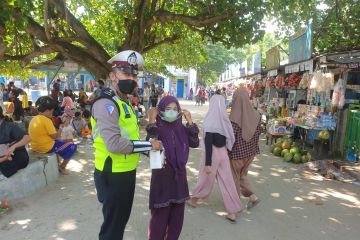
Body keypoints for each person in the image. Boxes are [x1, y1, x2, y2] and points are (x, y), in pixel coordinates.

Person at [91, 50, 162, 240]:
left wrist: (150, 148)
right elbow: (114, 144)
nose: (131, 79)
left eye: (133, 74)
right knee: (112, 228)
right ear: (112, 76)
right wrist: (147, 146)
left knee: (119, 222)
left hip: (125, 171)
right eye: (126, 73)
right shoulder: (106, 104)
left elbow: (129, 137)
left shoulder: (124, 102)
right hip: (112, 173)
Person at [146, 96, 199, 239]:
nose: (171, 112)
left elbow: (194, 143)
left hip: (179, 176)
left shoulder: (181, 128)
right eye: (168, 109)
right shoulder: (157, 128)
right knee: (160, 217)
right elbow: (149, 148)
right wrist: (151, 120)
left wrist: (190, 122)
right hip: (162, 177)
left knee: (177, 217)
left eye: (175, 109)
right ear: (160, 110)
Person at [188, 95, 242, 223]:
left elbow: (208, 143)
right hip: (223, 154)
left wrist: (208, 163)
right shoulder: (225, 121)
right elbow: (230, 140)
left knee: (205, 178)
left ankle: (194, 200)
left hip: (211, 155)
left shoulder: (210, 120)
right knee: (227, 181)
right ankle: (232, 211)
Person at [228, 88, 261, 209]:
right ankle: (253, 197)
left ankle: (235, 204)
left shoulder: (234, 119)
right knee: (242, 176)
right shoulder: (257, 115)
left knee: (234, 178)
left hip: (237, 155)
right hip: (251, 153)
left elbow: (230, 139)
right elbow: (258, 133)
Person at [28, 96, 77, 175]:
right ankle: (62, 167)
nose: (52, 113)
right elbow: (55, 136)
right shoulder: (46, 120)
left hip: (35, 146)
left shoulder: (34, 119)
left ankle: (58, 163)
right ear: (47, 111)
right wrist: (61, 127)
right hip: (45, 147)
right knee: (72, 146)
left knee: (60, 143)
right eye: (51, 112)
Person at [0, 107, 31, 178]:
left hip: (16, 153)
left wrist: (14, 146)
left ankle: (6, 158)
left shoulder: (10, 126)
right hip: (3, 154)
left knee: (6, 167)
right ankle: (5, 158)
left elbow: (28, 138)